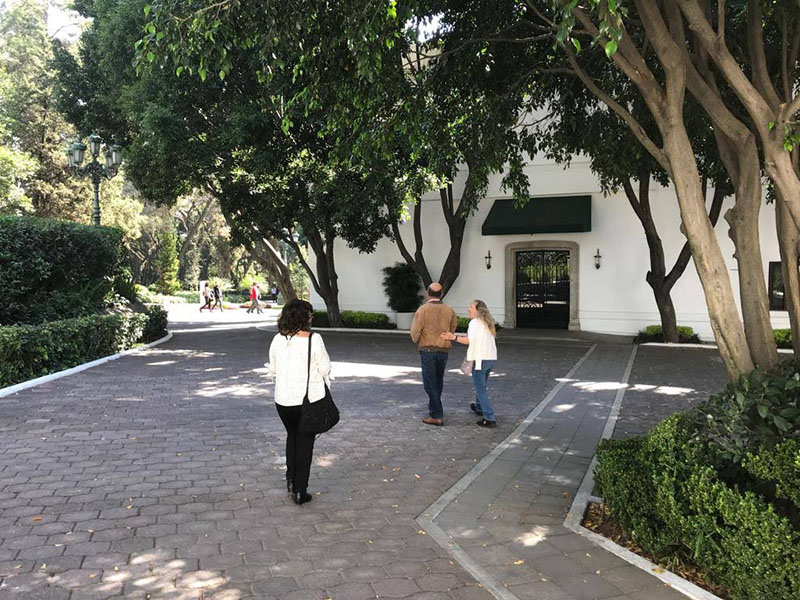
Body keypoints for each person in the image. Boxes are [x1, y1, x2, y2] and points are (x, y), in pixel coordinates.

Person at [268, 299, 332, 505]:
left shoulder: (277, 339)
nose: (312, 318)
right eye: (310, 314)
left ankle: (290, 480)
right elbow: (325, 368)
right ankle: (300, 490)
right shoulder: (314, 339)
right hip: (307, 401)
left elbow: (273, 369)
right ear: (304, 318)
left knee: (292, 436)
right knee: (305, 443)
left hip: (283, 401)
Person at [441, 300, 499, 428]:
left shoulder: (474, 323)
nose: (468, 309)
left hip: (480, 360)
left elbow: (469, 340)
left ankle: (489, 418)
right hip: (490, 358)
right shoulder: (487, 322)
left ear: (478, 310)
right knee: (482, 385)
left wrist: (453, 337)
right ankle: (479, 407)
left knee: (481, 389)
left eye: (471, 307)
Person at [410, 282, 457, 426]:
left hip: (428, 349)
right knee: (438, 380)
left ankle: (437, 414)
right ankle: (434, 409)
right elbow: (453, 327)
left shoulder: (422, 310)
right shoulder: (449, 310)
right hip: (443, 349)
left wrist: (417, 340)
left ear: (427, 293)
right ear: (441, 294)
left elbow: (415, 332)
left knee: (429, 382)